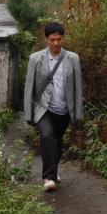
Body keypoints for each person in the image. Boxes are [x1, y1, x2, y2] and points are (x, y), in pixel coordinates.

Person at [24, 21, 83, 192]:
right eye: (52, 40)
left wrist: (78, 114)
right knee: (48, 135)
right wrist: (28, 114)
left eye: (59, 39)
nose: (56, 43)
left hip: (64, 109)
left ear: (63, 39)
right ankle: (48, 178)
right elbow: (29, 88)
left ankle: (53, 169)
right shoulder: (35, 59)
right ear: (46, 40)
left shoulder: (73, 58)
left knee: (57, 140)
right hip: (44, 108)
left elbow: (78, 88)